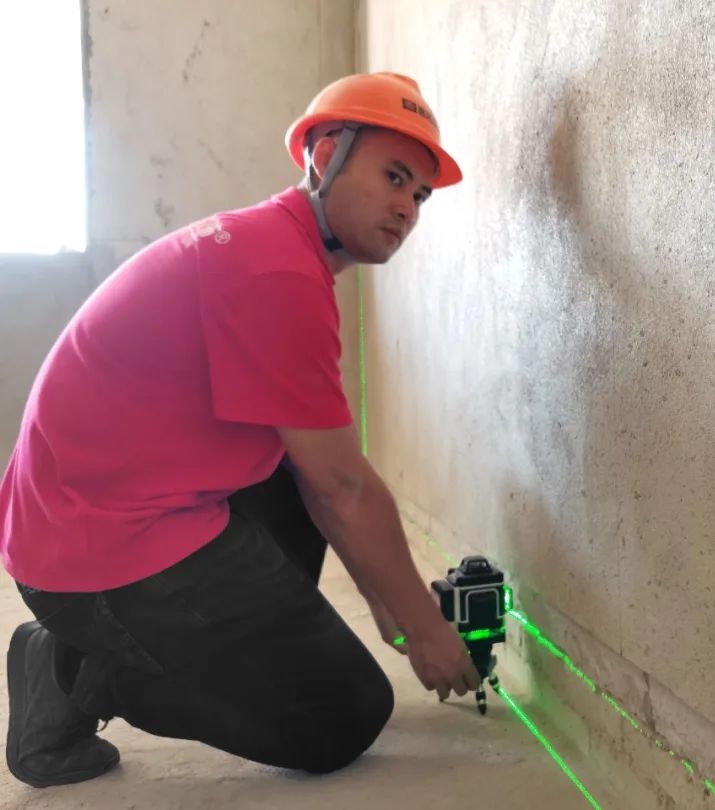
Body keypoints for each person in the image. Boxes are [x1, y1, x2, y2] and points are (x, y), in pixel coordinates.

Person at [0, 72, 480, 789]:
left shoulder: (271, 248)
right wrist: (428, 630)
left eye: (420, 195)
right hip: (90, 552)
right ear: (325, 156)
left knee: (296, 470)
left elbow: (324, 478)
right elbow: (345, 488)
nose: (407, 207)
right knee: (342, 715)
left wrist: (392, 604)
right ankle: (74, 672)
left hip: (96, 514)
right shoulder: (276, 273)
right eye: (393, 177)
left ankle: (230, 651)